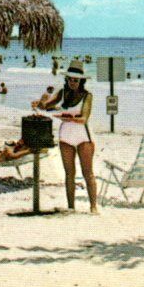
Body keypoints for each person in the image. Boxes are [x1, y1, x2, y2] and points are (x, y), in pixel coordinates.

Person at [34, 63, 98, 214]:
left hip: (84, 136)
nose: (73, 83)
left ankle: (93, 206)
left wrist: (66, 117)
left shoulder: (87, 96)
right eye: (70, 79)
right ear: (67, 79)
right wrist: (41, 100)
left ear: (81, 81)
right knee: (69, 173)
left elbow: (84, 118)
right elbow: (45, 106)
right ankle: (71, 206)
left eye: (76, 80)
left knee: (87, 172)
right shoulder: (63, 92)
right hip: (66, 135)